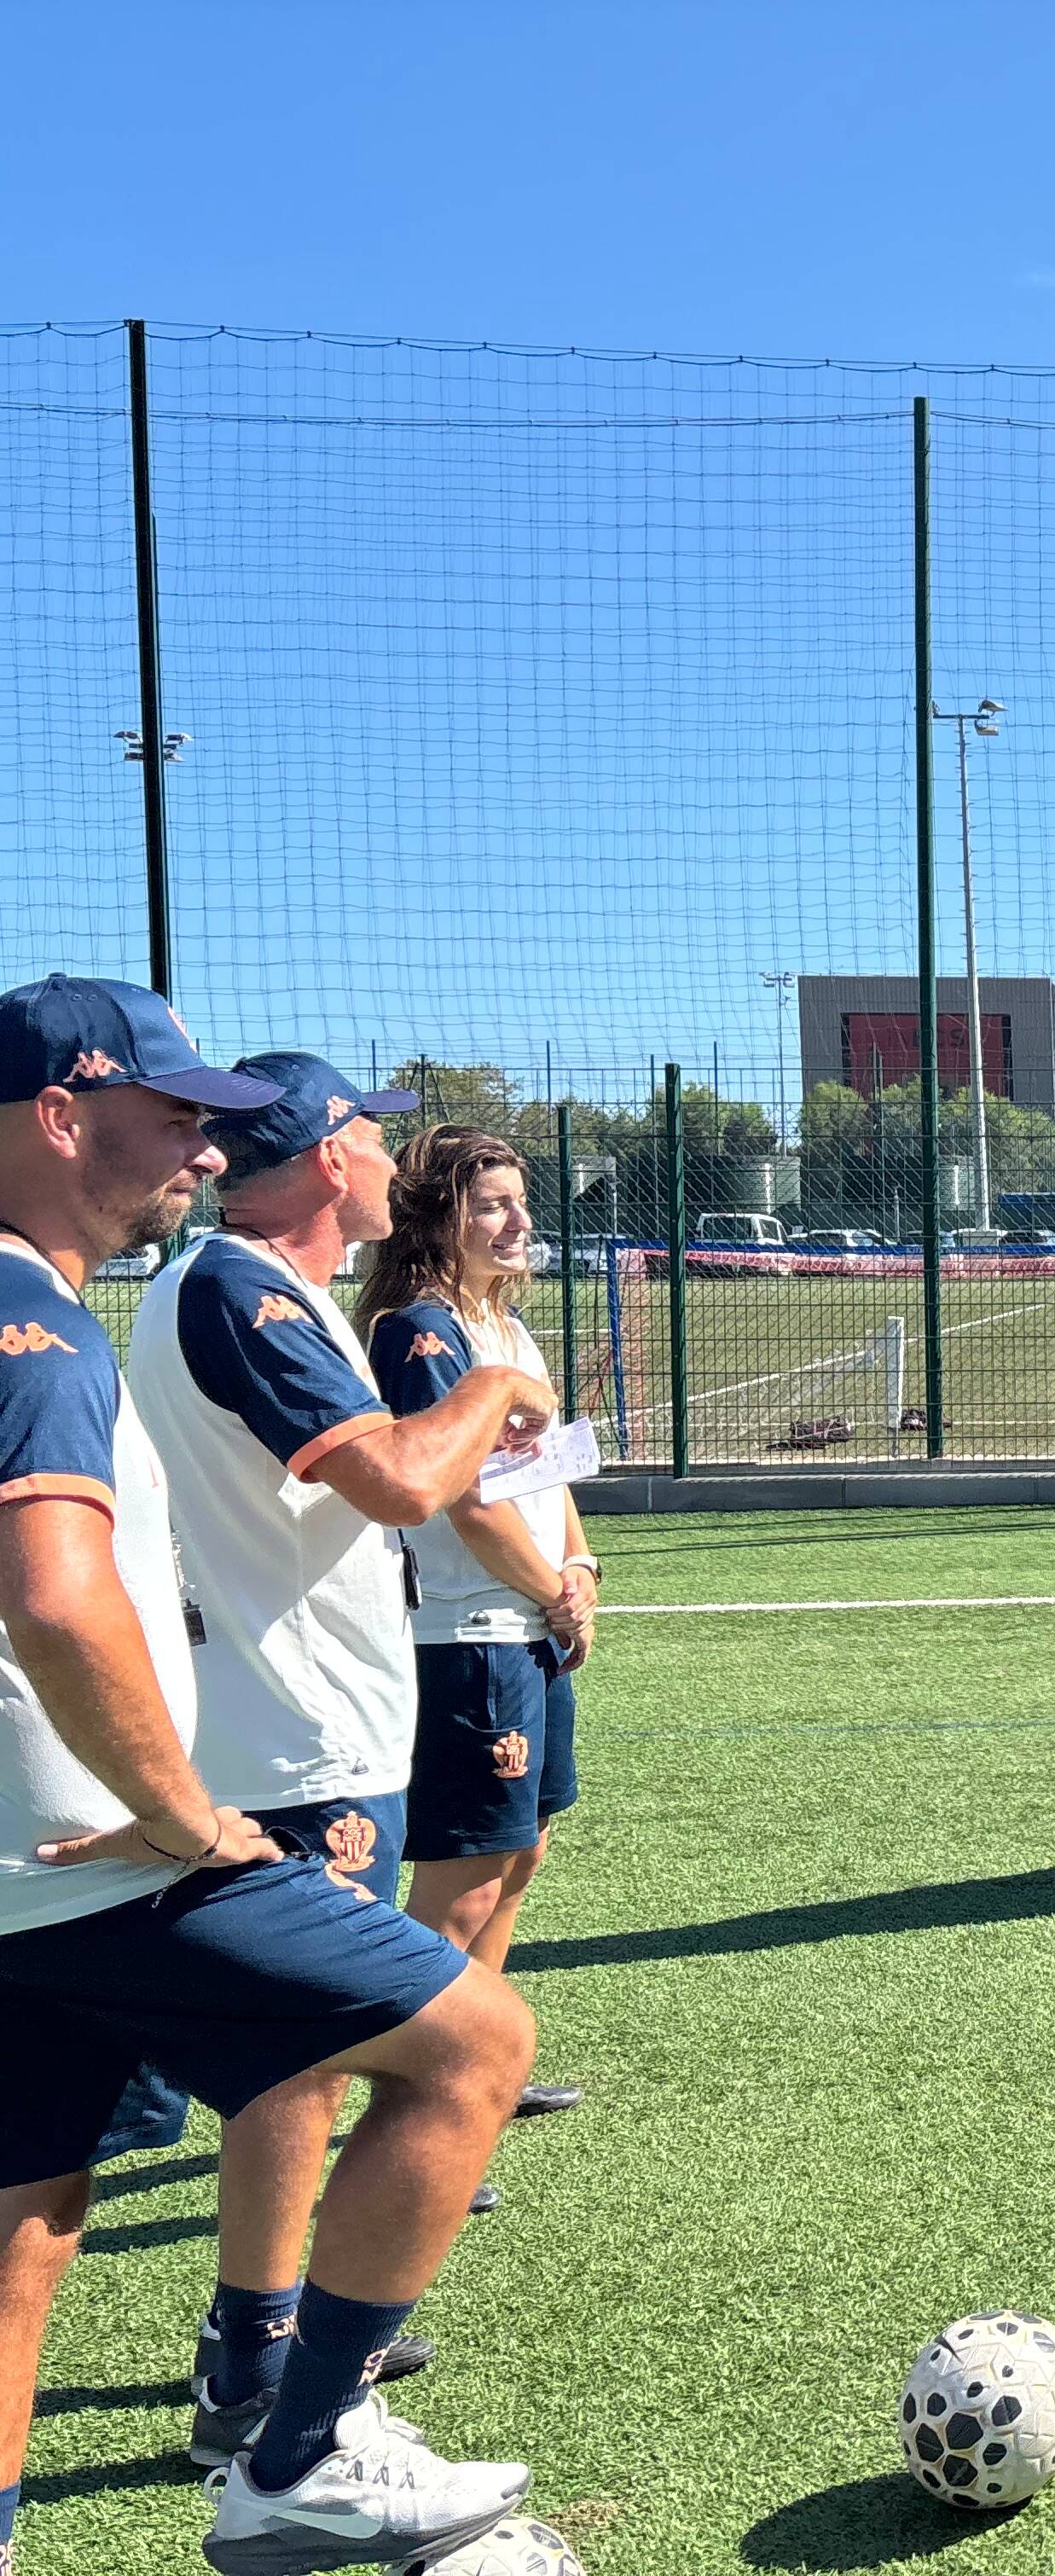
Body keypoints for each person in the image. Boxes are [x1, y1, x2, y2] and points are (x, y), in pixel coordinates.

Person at [0, 980, 540, 2575]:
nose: (196, 1137)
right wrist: (179, 1812)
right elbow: (55, 1592)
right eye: (168, 1109)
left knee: (27, 2231)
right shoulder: (32, 1322)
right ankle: (299, 2441)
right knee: (470, 2045)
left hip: (30, 1873)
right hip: (103, 1862)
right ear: (57, 1117)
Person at [129, 1053, 570, 2468]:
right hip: (295, 1734)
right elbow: (395, 1473)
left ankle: (254, 2346)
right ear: (330, 1154)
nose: (395, 1159)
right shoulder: (238, 1282)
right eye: (374, 1133)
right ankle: (273, 2386)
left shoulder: (247, 1285)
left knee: (300, 2064)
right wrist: (496, 1380)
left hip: (310, 1723)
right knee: (330, 2060)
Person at [357, 1126, 603, 2077]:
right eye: (491, 1204)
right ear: (437, 1218)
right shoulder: (421, 1332)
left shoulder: (503, 1324)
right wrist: (551, 1593)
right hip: (467, 1635)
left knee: (522, 1854)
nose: (517, 1221)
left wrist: (580, 1570)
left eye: (519, 1201)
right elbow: (462, 1503)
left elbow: (548, 1474)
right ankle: (406, 2091)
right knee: (460, 1883)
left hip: (530, 1625)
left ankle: (475, 2068)